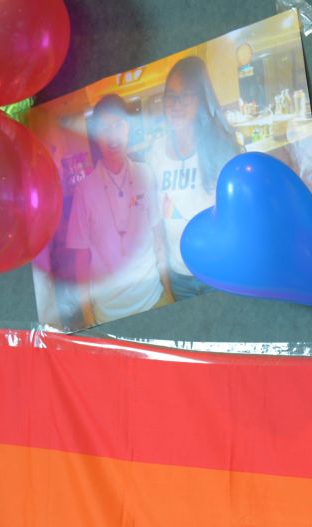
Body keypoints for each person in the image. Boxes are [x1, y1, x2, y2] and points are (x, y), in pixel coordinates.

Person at [65, 94, 169, 326]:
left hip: (155, 299)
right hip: (110, 314)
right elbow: (80, 260)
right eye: (104, 128)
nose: (112, 135)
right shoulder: (84, 191)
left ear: (128, 126)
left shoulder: (145, 173)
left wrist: (169, 293)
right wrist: (88, 316)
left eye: (118, 124)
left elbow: (158, 238)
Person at [146, 56, 242, 300]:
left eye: (186, 95)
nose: (175, 104)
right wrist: (166, 281)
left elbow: (238, 218)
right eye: (170, 95)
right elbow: (157, 222)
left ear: (201, 99)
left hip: (220, 272)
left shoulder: (221, 148)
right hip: (180, 281)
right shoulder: (155, 152)